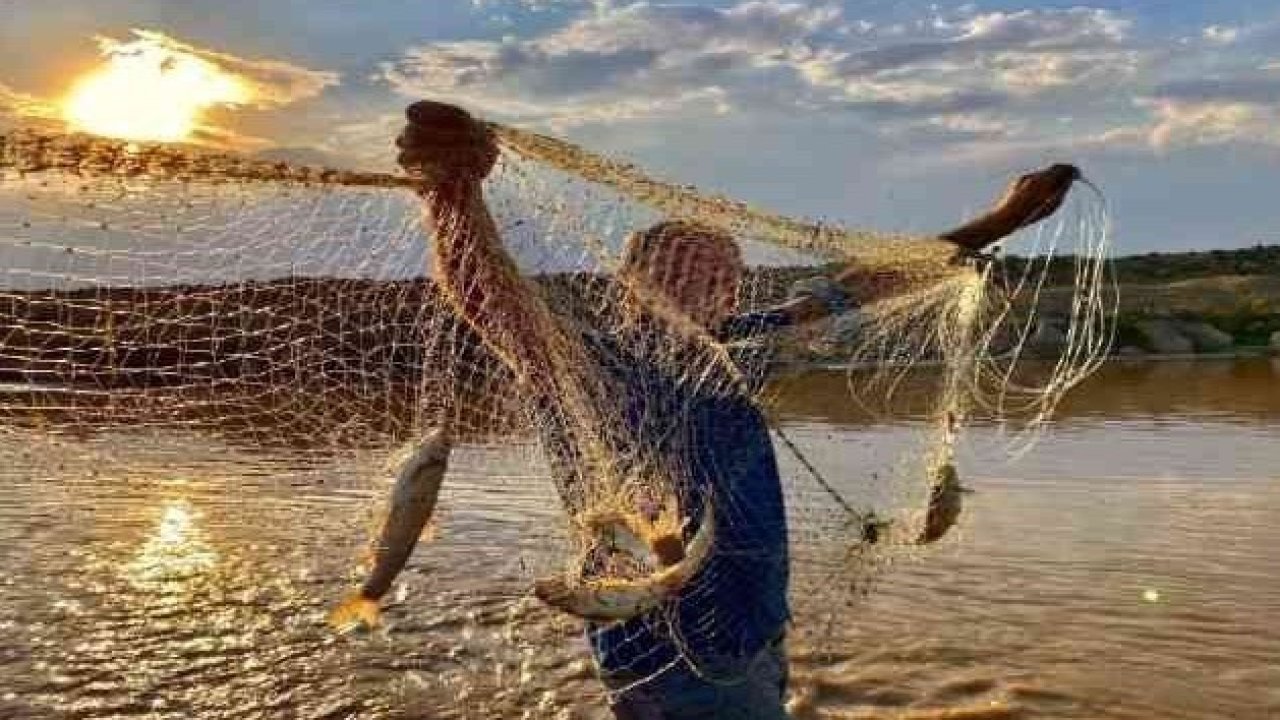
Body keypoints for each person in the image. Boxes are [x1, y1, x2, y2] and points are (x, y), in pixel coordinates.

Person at [395, 100, 1077, 719]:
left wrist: (998, 222)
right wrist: (452, 195)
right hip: (666, 651)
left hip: (754, 627)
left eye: (726, 274)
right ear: (628, 284)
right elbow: (492, 300)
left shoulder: (739, 348)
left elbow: (861, 286)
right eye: (682, 269)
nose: (711, 284)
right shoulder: (587, 365)